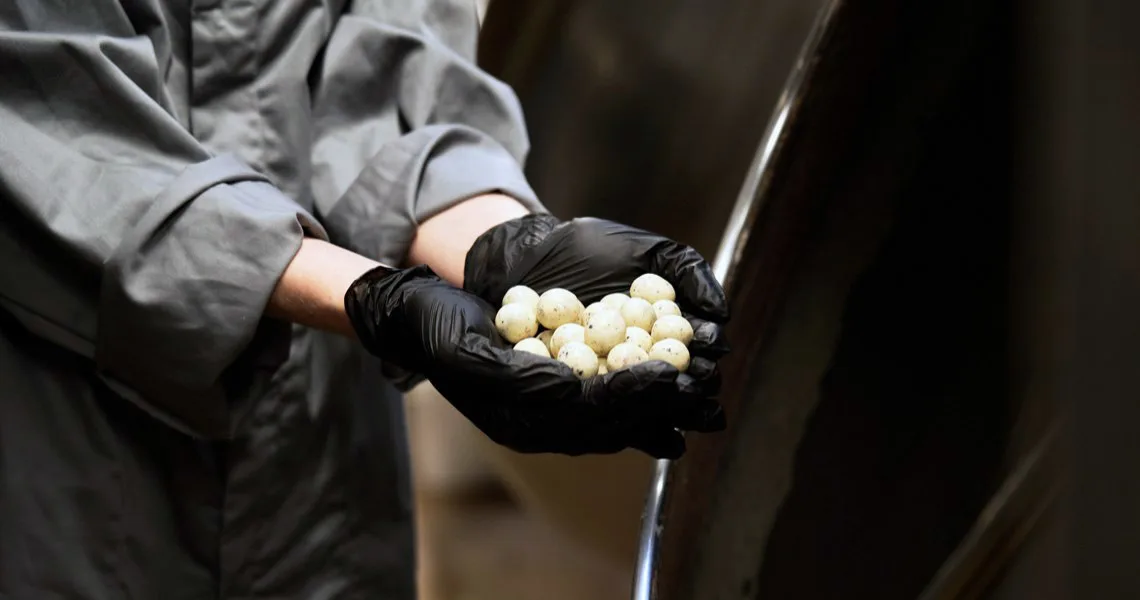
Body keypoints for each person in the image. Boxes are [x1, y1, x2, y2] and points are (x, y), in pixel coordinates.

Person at [0, 0, 730, 597]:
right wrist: (368, 297)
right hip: (78, 440)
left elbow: (393, 58)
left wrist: (496, 242)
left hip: (326, 464)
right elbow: (52, 133)